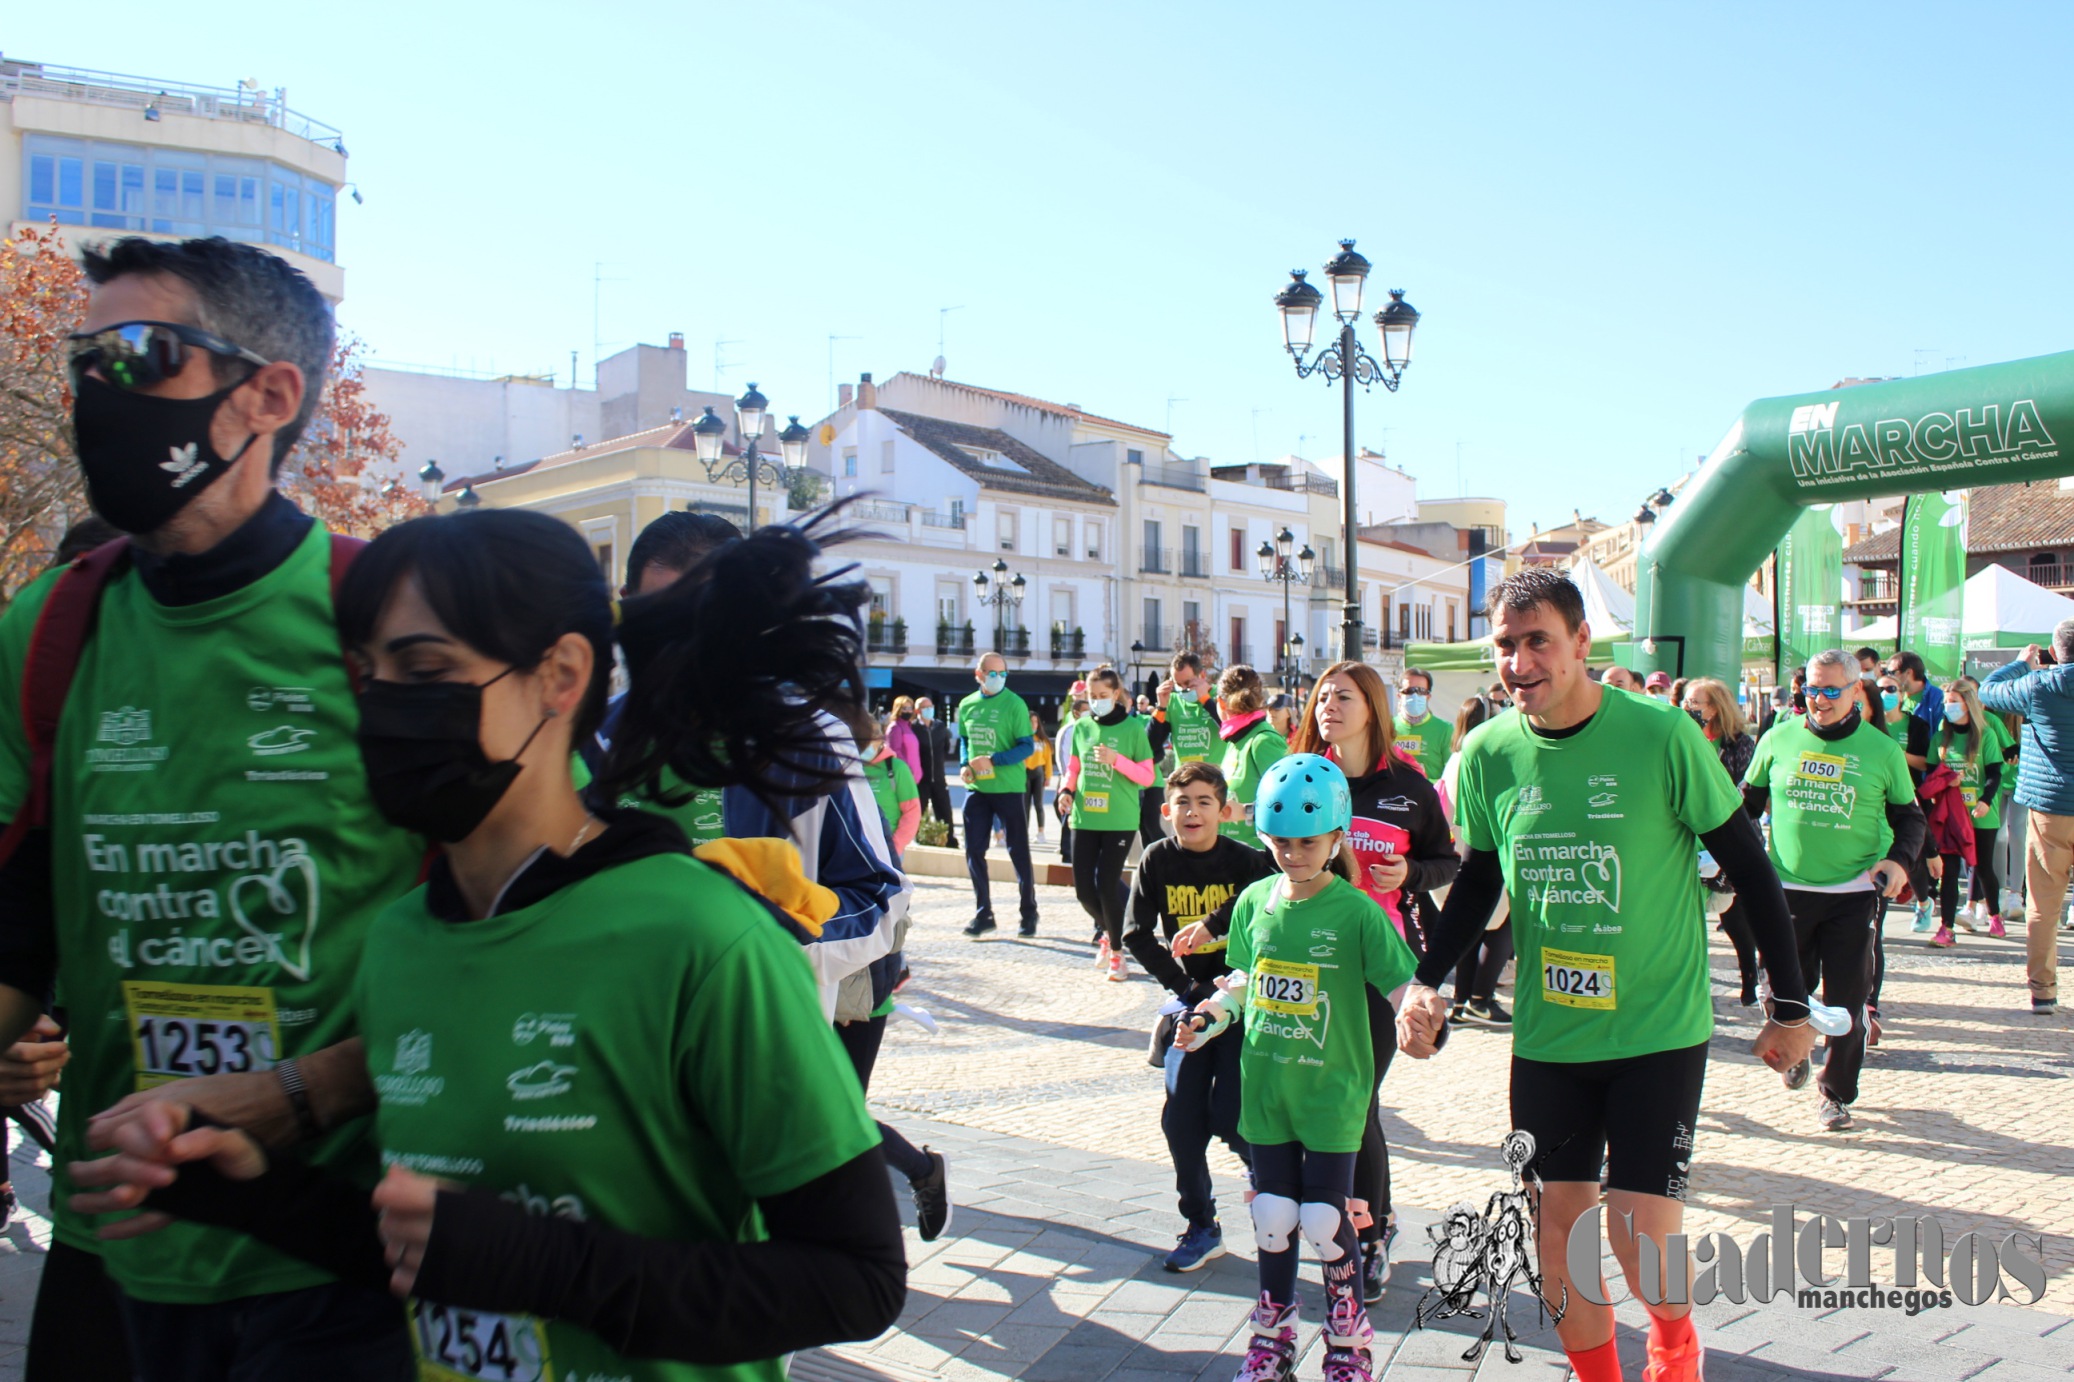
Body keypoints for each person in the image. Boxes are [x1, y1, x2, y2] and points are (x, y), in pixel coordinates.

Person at [72, 507, 909, 1380]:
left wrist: (548, 1266)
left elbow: (855, 1281)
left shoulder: (701, 937)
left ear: (560, 674)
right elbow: (437, 1251)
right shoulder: (402, 941)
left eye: (425, 668)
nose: (383, 706)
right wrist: (254, 1193)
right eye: (367, 673)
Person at [0, 237, 430, 1381]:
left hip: (338, 1256)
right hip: (113, 1242)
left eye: (141, 356)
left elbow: (521, 932)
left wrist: (302, 1093)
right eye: (85, 360)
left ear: (269, 396)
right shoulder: (47, 630)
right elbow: (24, 913)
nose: (99, 391)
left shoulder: (388, 616)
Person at [1399, 567, 1816, 1382]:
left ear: (1582, 644)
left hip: (1657, 1027)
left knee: (1635, 1228)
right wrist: (1428, 979)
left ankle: (1672, 1341)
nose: (1519, 662)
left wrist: (1790, 1004)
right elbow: (1482, 878)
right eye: (1506, 645)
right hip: (1550, 1033)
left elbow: (1750, 867)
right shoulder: (1487, 753)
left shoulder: (1661, 735)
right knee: (1557, 1233)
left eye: (1538, 642)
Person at [1177, 754, 1418, 1382]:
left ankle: (1349, 1343)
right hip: (1267, 1089)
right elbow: (1243, 980)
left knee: (1325, 1219)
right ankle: (1272, 1338)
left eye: (1308, 842)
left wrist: (1419, 1014)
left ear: (1336, 837)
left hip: (1331, 1093)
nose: (1294, 854)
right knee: (1273, 1216)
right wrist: (1210, 1018)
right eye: (1281, 842)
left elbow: (1401, 985)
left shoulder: (1356, 912)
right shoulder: (1255, 900)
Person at [1292, 661, 1457, 1301]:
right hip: (1311, 963)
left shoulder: (1410, 789)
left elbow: (1447, 862)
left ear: (1374, 707)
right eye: (1323, 696)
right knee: (1329, 1101)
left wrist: (1408, 875)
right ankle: (1340, 1213)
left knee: (1355, 1099)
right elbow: (1268, 861)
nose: (1330, 705)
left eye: (1345, 696)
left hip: (1382, 968)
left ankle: (1372, 1230)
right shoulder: (1304, 776)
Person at [1741, 650, 1924, 1131]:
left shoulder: (1881, 751)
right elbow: (1745, 807)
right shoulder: (1778, 739)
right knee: (1783, 991)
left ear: (1855, 691)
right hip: (1786, 888)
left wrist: (1899, 862)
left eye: (1830, 691)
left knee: (1847, 1000)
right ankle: (1794, 1043)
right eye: (1810, 690)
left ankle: (1836, 1094)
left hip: (1853, 891)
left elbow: (1910, 819)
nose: (1817, 700)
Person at [1124, 763, 1277, 1272]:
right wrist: (1184, 988)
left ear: (1224, 810)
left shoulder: (1249, 862)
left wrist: (1219, 941)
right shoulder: (1156, 860)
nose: (1192, 812)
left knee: (1232, 1116)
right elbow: (1136, 935)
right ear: (1166, 812)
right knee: (1180, 1121)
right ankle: (1201, 1225)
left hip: (1243, 1005)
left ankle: (1272, 1183)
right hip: (1189, 1009)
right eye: (1182, 802)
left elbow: (1276, 901)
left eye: (1204, 801)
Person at [1981, 632, 2074, 1014]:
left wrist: (2023, 662)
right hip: (2052, 805)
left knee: (2044, 905)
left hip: (2051, 809)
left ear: (2054, 652)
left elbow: (1988, 691)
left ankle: (2043, 991)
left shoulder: (2037, 685)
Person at [1060, 668, 1157, 980]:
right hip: (1085, 817)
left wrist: (1117, 760)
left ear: (1116, 694)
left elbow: (1148, 777)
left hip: (1119, 818)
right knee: (1084, 891)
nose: (1097, 701)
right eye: (1092, 696)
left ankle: (1117, 951)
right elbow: (1073, 768)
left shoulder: (1133, 729)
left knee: (1106, 886)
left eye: (1103, 695)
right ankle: (1108, 932)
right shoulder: (1082, 726)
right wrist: (1066, 790)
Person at [1684, 677, 1762, 1005]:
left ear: (1715, 708)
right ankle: (1691, 980)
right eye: (1686, 701)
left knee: (1735, 917)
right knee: (1688, 913)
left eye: (1695, 703)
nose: (1688, 708)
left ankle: (1750, 976)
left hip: (1731, 836)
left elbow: (1743, 791)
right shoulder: (1682, 737)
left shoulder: (1739, 743)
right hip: (1690, 837)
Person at [1435, 697, 1512, 1026]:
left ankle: (1462, 1001)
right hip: (1487, 853)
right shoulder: (1483, 758)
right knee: (1501, 928)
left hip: (1458, 854)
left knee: (1471, 928)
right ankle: (1481, 998)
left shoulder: (1455, 758)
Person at [957, 652, 1041, 938]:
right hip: (977, 789)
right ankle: (984, 914)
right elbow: (965, 740)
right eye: (992, 674)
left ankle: (1028, 913)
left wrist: (994, 759)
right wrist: (963, 765)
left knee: (1018, 851)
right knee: (973, 851)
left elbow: (1026, 747)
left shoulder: (1015, 704)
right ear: (978, 675)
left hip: (1008, 787)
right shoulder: (967, 704)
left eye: (1003, 673)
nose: (998, 679)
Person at [1927, 679, 2008, 945]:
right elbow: (1930, 773)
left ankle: (1995, 915)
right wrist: (1944, 781)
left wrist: (1985, 799)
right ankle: (1947, 928)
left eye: (1954, 702)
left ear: (1968, 704)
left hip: (1980, 813)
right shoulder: (1941, 736)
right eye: (1947, 702)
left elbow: (1995, 772)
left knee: (1982, 866)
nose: (1949, 707)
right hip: (1950, 816)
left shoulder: (1986, 735)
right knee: (1949, 872)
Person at [1218, 665, 1289, 846]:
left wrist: (1245, 811)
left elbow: (1291, 802)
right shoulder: (1235, 740)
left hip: (1260, 858)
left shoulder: (1263, 741)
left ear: (1221, 703)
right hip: (1230, 855)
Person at [914, 696, 958, 849]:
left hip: (939, 777)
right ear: (918, 711)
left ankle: (950, 840)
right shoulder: (914, 729)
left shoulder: (940, 727)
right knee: (920, 811)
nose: (928, 710)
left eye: (930, 706)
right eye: (925, 707)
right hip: (921, 779)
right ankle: (920, 839)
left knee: (944, 810)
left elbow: (945, 748)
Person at [1392, 667, 1449, 783]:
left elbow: (1452, 775)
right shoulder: (1386, 727)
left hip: (1430, 798)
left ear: (1428, 696)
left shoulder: (1445, 730)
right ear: (1399, 695)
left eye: (1421, 691)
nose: (1415, 696)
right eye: (1409, 691)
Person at [1054, 691, 1087, 866]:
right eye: (1085, 709)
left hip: (1084, 779)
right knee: (1068, 814)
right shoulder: (1069, 730)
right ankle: (1067, 851)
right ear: (1076, 712)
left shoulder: (1087, 728)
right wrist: (1070, 781)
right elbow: (1064, 757)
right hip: (1070, 779)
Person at [1884, 649, 1945, 737]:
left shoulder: (1938, 698)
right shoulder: (1893, 695)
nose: (1889, 677)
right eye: (1887, 673)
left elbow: (1940, 736)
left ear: (1909, 672)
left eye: (1892, 673)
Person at [1025, 710, 1054, 841]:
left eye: (1036, 722)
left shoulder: (1043, 741)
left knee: (1038, 804)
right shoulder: (1023, 739)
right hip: (1024, 773)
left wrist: (1048, 777)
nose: (1033, 724)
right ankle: (1024, 832)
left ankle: (1041, 832)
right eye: (1031, 722)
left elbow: (1048, 760)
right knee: (1024, 805)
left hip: (1038, 773)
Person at [885, 696, 924, 788]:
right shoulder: (895, 727)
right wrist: (906, 769)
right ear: (898, 709)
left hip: (913, 776)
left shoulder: (909, 727)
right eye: (904, 708)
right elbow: (895, 752)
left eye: (910, 708)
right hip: (903, 774)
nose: (908, 711)